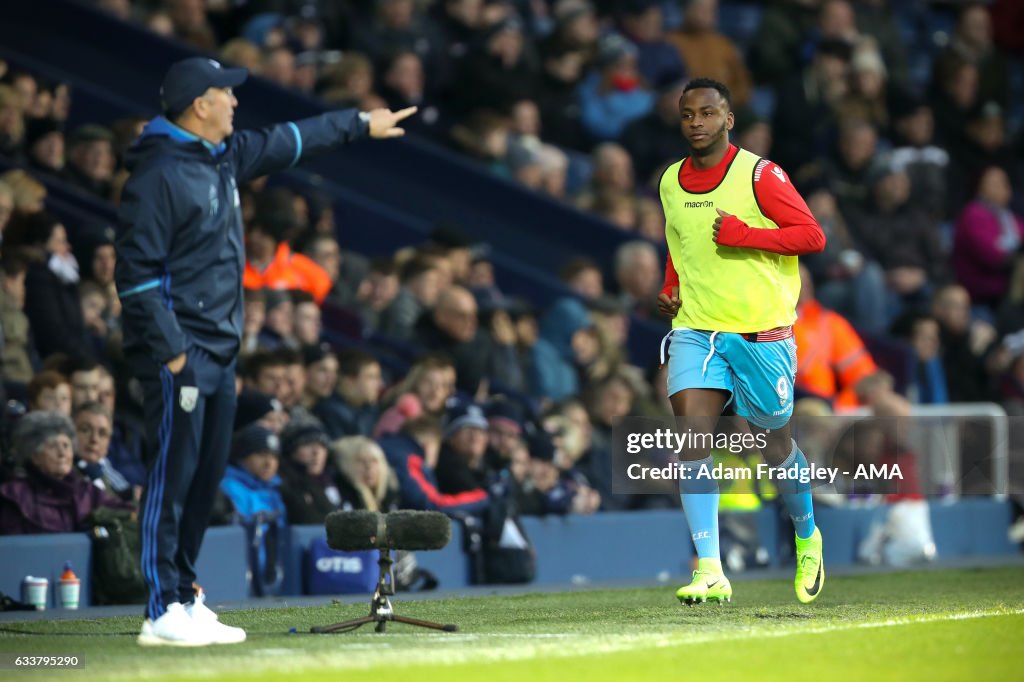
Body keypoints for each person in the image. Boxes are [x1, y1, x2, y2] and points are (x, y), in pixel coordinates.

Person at [115, 56, 415, 647]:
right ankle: (158, 611)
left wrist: (358, 122)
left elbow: (287, 142)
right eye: (226, 93)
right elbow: (137, 278)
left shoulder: (219, 156)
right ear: (200, 104)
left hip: (220, 353)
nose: (234, 102)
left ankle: (185, 595)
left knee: (204, 481)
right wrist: (175, 354)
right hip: (182, 354)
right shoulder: (157, 176)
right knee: (173, 477)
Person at [656, 79, 826, 606]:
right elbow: (678, 246)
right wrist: (670, 287)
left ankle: (806, 534)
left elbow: (812, 236)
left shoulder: (760, 175)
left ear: (729, 119)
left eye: (708, 113)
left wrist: (746, 236)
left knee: (774, 446)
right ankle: (710, 568)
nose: (697, 122)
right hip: (697, 328)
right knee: (692, 439)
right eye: (688, 114)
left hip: (761, 332)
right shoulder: (669, 182)